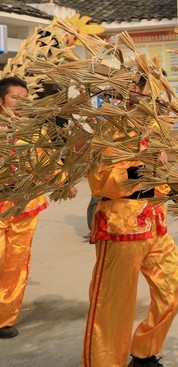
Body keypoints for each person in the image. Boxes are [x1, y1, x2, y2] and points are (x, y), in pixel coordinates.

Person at [82, 74, 178, 367]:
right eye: (154, 91)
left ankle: (143, 352)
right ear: (134, 91)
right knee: (113, 305)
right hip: (121, 226)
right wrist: (142, 172)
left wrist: (173, 188)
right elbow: (100, 182)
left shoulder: (157, 131)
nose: (160, 100)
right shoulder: (111, 127)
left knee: (175, 287)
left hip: (154, 224)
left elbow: (162, 174)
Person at [0, 77, 77, 339]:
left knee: (16, 262)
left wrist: (62, 182)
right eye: (14, 98)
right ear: (1, 102)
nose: (21, 103)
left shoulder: (34, 132)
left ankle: (4, 319)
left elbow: (47, 162)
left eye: (24, 98)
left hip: (25, 206)